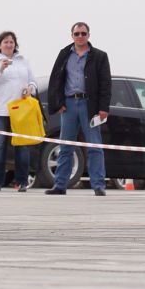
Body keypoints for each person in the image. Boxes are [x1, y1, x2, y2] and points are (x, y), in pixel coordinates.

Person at [46, 21, 110, 196]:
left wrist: (103, 108)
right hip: (69, 105)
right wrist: (58, 103)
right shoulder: (65, 54)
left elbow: (105, 84)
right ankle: (60, 185)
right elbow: (55, 79)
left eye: (83, 33)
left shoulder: (99, 56)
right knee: (65, 146)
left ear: (89, 35)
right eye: (77, 34)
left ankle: (98, 185)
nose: (80, 36)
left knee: (94, 145)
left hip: (89, 106)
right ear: (72, 36)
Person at [0, 29, 38, 191]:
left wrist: (30, 88)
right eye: (5, 42)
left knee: (22, 145)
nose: (9, 44)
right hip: (1, 110)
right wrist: (0, 69)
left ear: (15, 44)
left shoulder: (23, 60)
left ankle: (21, 182)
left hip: (21, 110)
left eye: (11, 42)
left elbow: (32, 82)